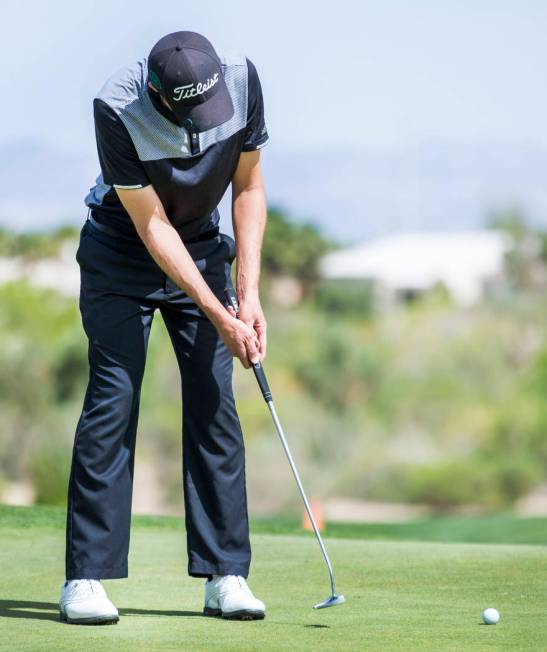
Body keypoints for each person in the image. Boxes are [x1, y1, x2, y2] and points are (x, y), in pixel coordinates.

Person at [59, 30, 269, 624]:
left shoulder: (243, 79)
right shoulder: (116, 106)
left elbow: (249, 186)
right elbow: (152, 228)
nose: (202, 126)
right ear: (156, 92)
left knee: (214, 402)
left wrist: (247, 295)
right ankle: (87, 579)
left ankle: (226, 574)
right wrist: (217, 310)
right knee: (113, 400)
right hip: (122, 251)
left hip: (202, 248)